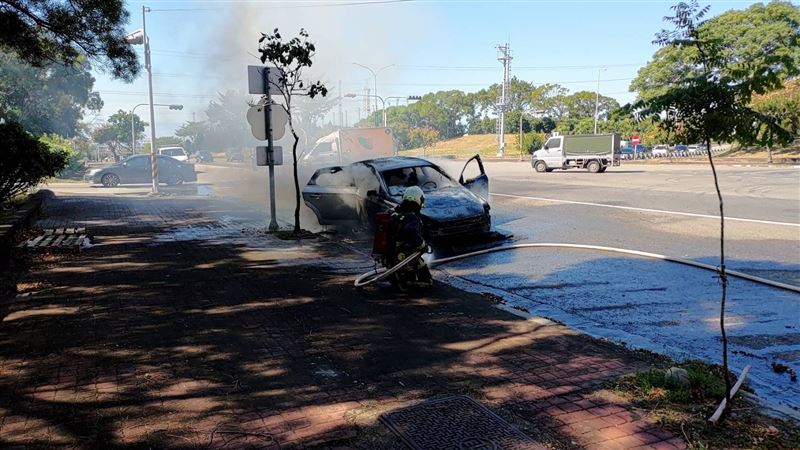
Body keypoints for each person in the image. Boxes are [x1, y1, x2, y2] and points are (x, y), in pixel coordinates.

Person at [386, 186, 433, 291]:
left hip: (391, 254)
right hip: (404, 254)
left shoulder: (396, 212)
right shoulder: (411, 216)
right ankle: (408, 282)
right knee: (427, 282)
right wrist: (422, 245)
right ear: (418, 200)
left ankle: (398, 277)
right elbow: (411, 231)